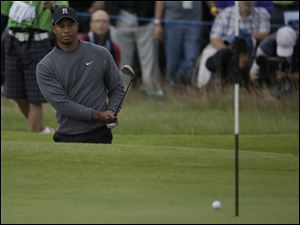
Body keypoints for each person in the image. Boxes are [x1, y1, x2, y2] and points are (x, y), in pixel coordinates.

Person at [36, 7, 124, 144]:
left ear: (77, 25)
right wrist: (97, 115)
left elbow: (117, 88)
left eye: (70, 25)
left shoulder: (101, 53)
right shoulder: (45, 66)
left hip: (100, 134)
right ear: (53, 28)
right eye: (61, 25)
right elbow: (62, 104)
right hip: (66, 136)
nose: (66, 30)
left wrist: (111, 111)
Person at [1, 1, 68, 133]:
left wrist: (53, 6)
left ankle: (31, 138)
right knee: (16, 94)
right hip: (12, 40)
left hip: (38, 42)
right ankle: (43, 129)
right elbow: (3, 13)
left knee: (35, 98)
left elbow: (65, 13)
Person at [197, 1, 271, 89]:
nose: (247, 2)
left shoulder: (262, 13)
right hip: (225, 47)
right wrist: (228, 50)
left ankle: (257, 87)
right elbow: (214, 38)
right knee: (208, 53)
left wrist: (245, 35)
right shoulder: (225, 13)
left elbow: (265, 34)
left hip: (250, 49)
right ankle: (201, 87)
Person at [106, 1, 163, 96]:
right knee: (121, 58)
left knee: (149, 59)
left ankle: (152, 90)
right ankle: (122, 92)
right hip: (119, 15)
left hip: (146, 17)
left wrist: (157, 22)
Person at [154, 1, 203, 87]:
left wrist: (214, 8)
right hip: (172, 22)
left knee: (192, 58)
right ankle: (172, 85)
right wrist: (157, 23)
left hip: (193, 22)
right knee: (172, 59)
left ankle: (181, 83)